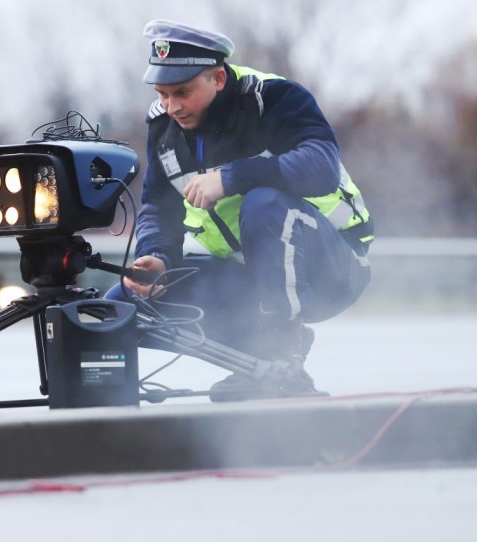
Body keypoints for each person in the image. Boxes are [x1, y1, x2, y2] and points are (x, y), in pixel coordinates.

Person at [106, 19, 373, 401]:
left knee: (264, 204)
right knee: (121, 308)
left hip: (329, 267)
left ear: (217, 78)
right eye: (162, 94)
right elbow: (157, 208)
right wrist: (156, 257)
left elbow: (321, 169)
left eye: (182, 92)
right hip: (246, 277)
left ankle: (283, 352)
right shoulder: (163, 126)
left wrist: (232, 177)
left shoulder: (272, 97)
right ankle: (252, 364)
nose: (172, 106)